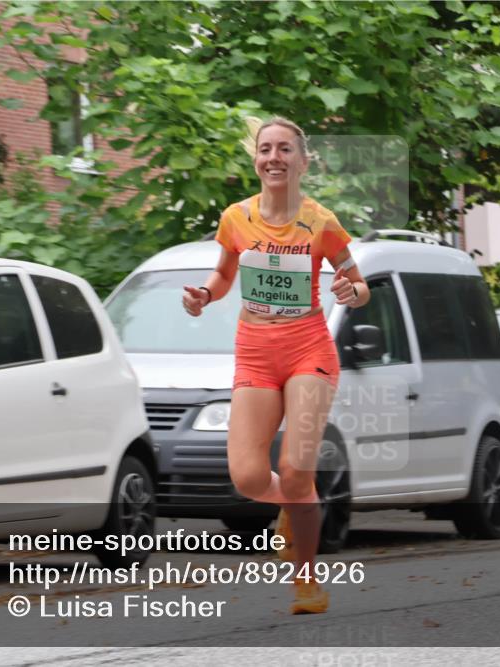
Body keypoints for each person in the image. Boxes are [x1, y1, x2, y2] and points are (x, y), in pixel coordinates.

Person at [182, 117, 369, 614]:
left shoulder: (322, 222)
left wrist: (352, 290)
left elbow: (359, 281)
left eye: (285, 149)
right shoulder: (236, 218)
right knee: (246, 477)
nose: (274, 157)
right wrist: (204, 294)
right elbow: (223, 276)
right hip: (256, 354)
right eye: (266, 149)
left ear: (302, 161)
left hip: (309, 351)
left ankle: (306, 581)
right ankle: (293, 507)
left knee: (293, 468)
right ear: (256, 159)